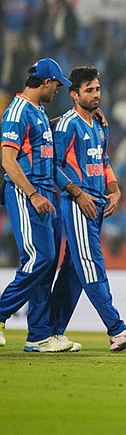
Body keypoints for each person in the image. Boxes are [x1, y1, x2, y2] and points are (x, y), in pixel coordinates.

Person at [47, 66, 126, 351]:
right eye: (89, 90)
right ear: (74, 95)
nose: (95, 95)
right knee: (91, 265)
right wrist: (77, 194)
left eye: (98, 89)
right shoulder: (68, 125)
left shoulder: (100, 124)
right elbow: (52, 166)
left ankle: (50, 332)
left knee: (74, 272)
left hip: (98, 202)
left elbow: (102, 161)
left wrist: (114, 189)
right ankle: (116, 328)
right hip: (79, 204)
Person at [0, 58, 73, 352]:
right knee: (38, 258)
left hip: (46, 192)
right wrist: (32, 194)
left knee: (48, 263)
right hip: (26, 191)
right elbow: (7, 160)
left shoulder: (39, 112)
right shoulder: (17, 112)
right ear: (45, 83)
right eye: (56, 85)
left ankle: (39, 334)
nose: (58, 90)